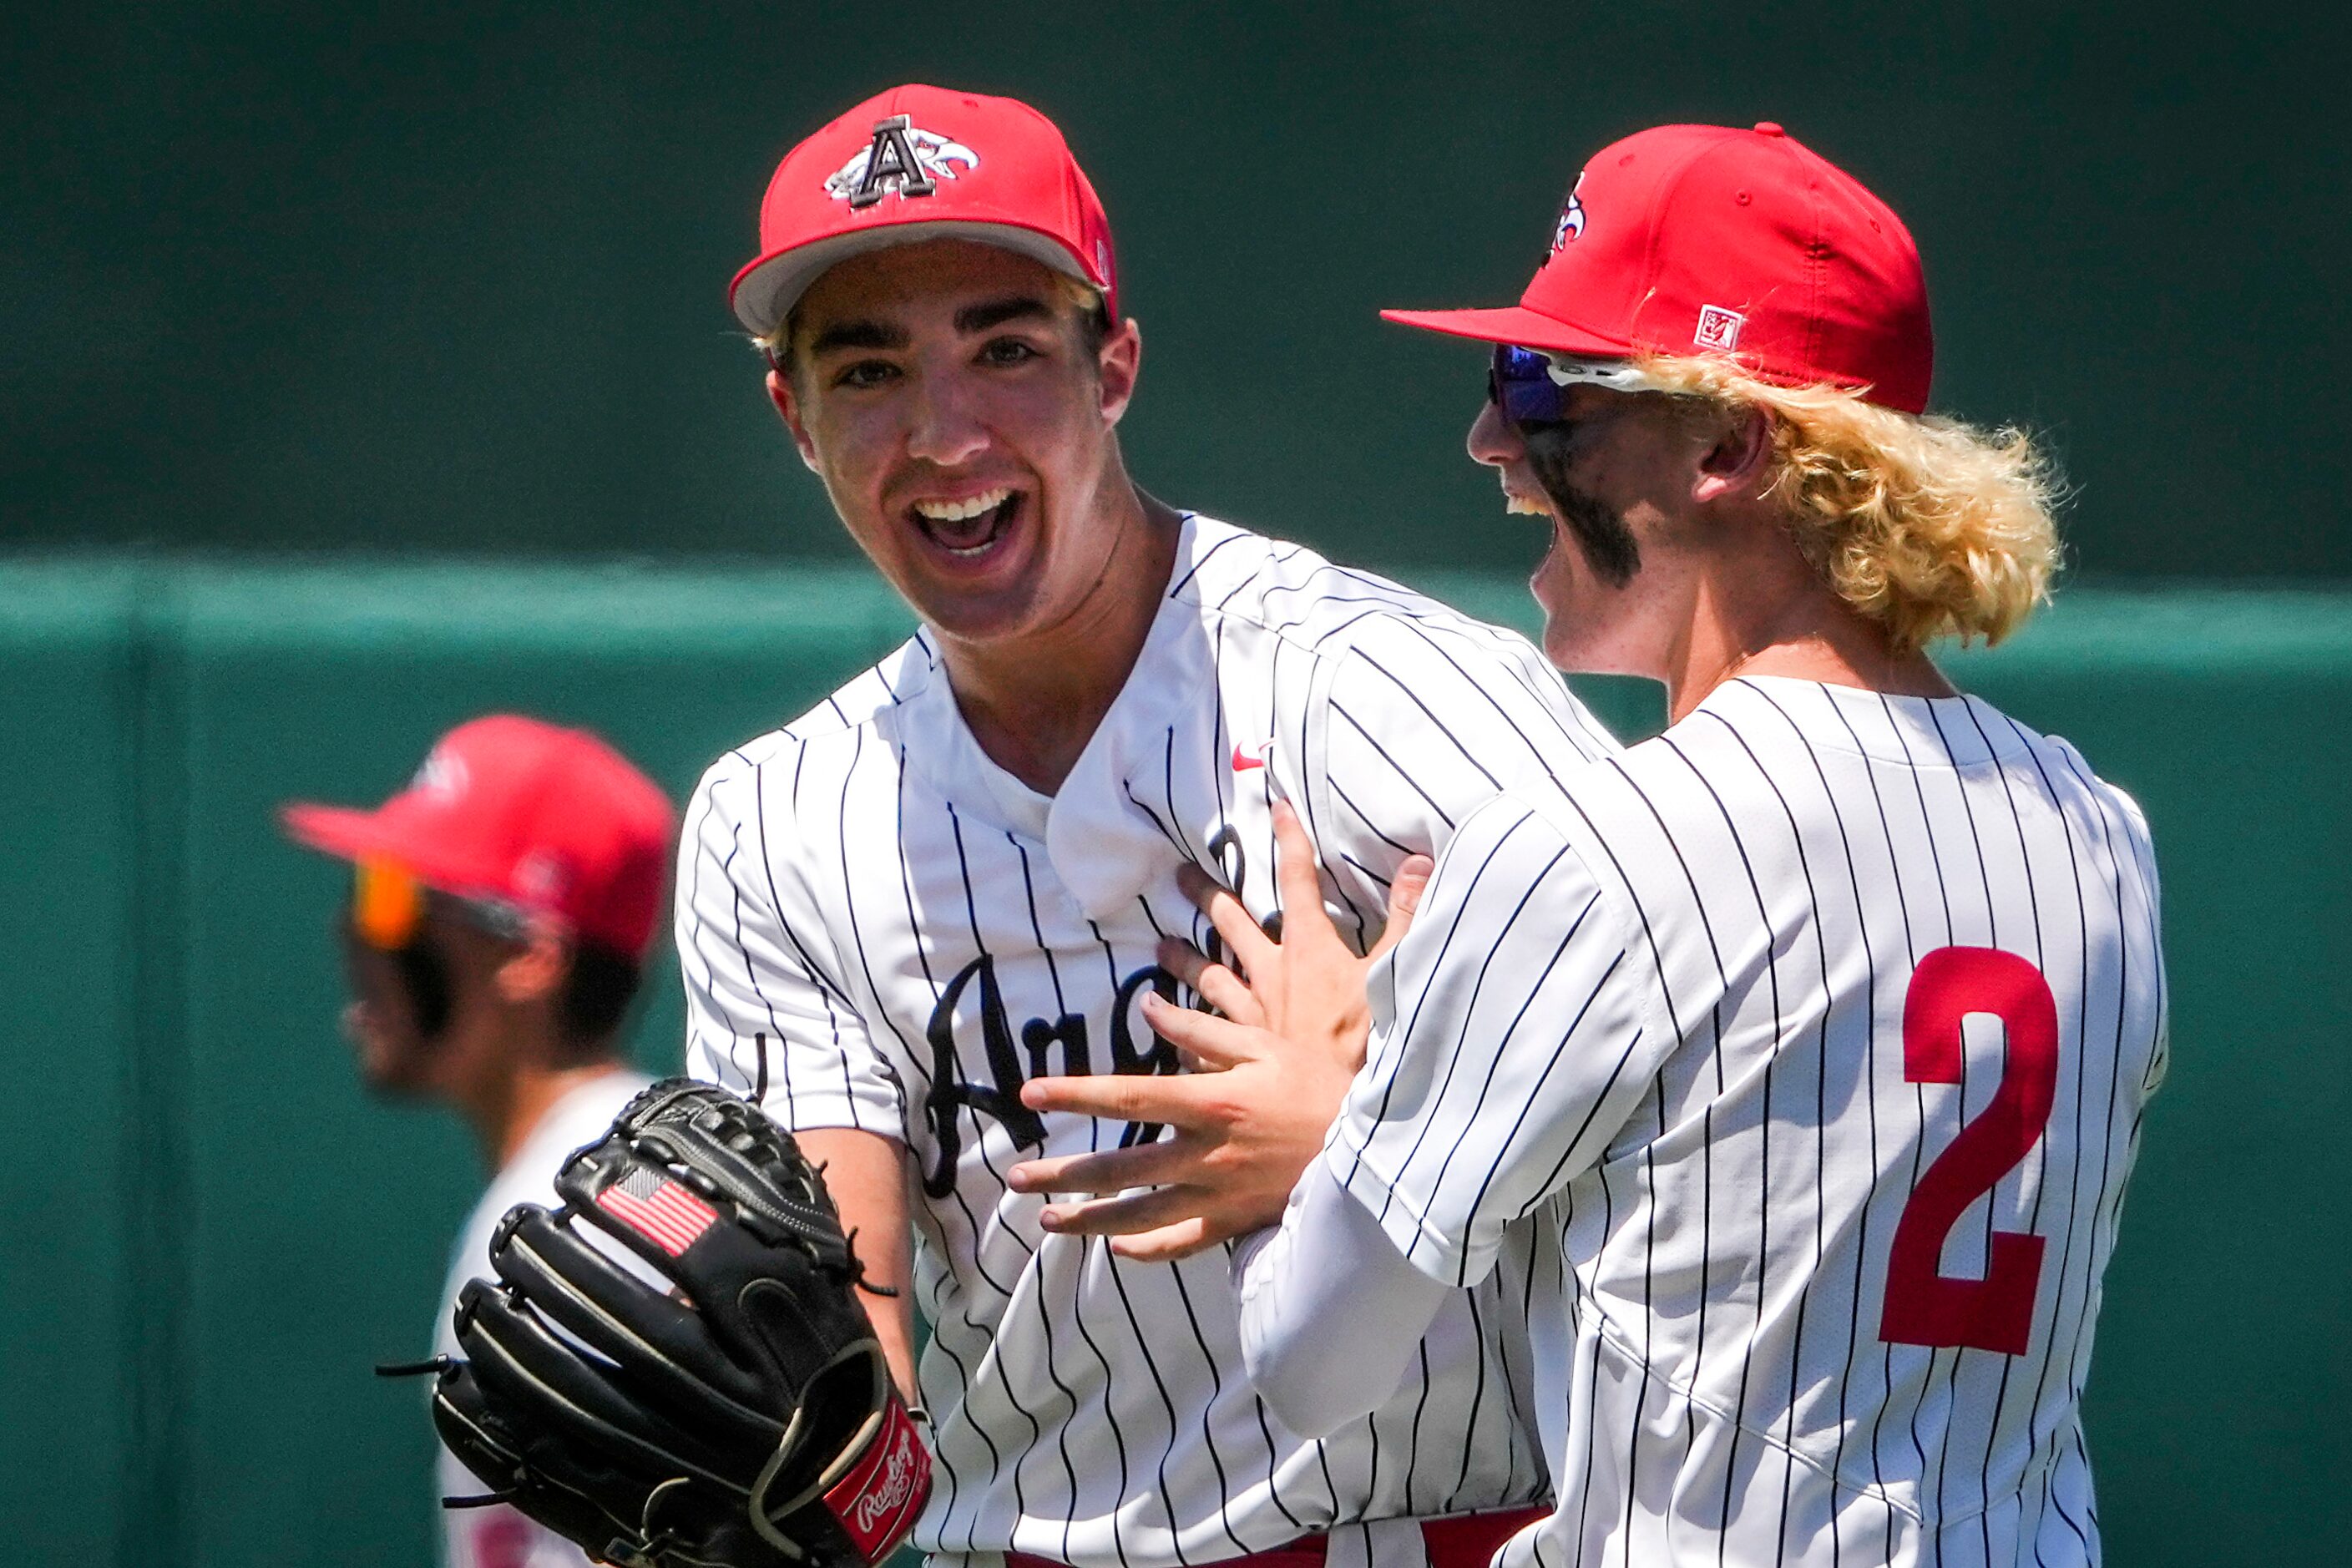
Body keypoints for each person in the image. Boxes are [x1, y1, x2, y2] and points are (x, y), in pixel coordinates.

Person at [1014, 123, 2167, 1565]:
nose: (1492, 437)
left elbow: (1309, 1364)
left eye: (1544, 385)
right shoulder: (2098, 839)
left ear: (1729, 443)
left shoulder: (1593, 847)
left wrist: (1351, 1101)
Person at [680, 83, 1623, 1568]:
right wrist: (749, 1453)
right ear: (794, 416)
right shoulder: (776, 819)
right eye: (867, 372)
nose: (944, 431)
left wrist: (1377, 1136)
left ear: (1111, 364)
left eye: (1005, 350)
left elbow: (1702, 1115)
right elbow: (843, 1372)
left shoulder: (1383, 693)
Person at [283, 713, 675, 1568]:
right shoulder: (595, 1179)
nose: (357, 934)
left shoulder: (575, 1222)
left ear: (530, 955)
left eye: (394, 897)